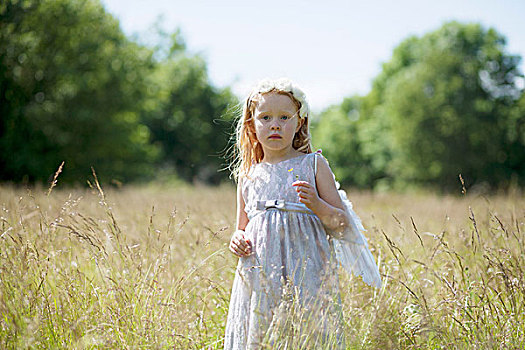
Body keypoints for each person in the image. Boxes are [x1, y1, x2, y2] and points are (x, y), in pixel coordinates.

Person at [224, 78, 381, 349]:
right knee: (262, 334)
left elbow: (342, 225)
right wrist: (237, 239)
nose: (275, 124)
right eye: (265, 117)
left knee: (307, 334)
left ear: (299, 123)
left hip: (307, 273)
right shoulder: (248, 175)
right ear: (252, 125)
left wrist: (317, 205)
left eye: (284, 117)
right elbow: (242, 226)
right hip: (260, 273)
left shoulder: (313, 165)